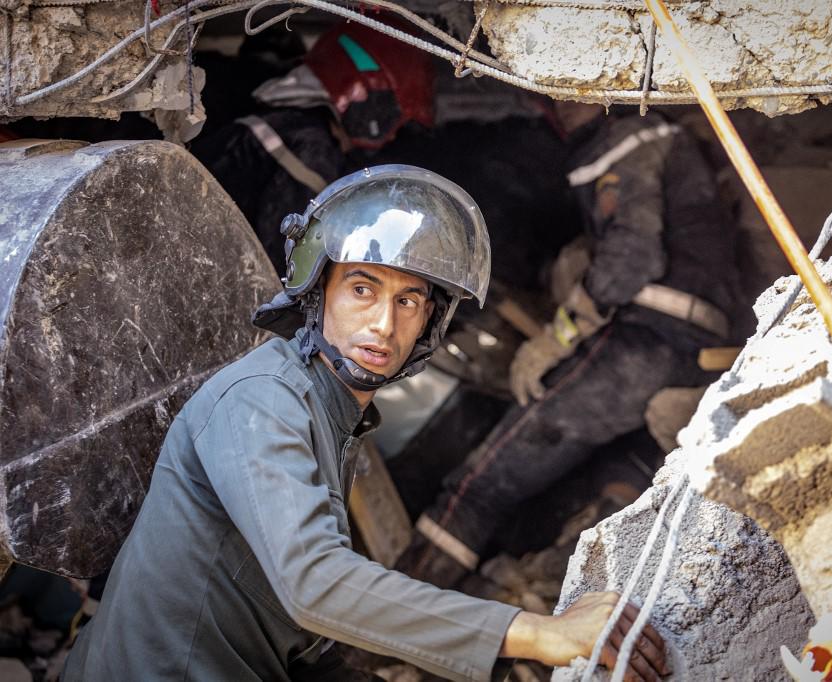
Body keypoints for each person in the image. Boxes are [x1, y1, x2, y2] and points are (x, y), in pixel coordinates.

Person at [61, 165, 669, 682]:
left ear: (430, 324)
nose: (383, 323)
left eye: (408, 301)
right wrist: (537, 633)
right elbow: (313, 584)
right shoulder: (262, 400)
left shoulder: (330, 409)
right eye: (361, 288)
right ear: (317, 290)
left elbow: (284, 608)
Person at [401, 103, 741, 588]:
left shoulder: (628, 140)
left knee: (479, 489)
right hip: (698, 353)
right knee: (618, 482)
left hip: (644, 343)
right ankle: (538, 596)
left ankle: (390, 629)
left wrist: (557, 336)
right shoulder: (671, 145)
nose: (556, 105)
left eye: (561, 94)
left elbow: (630, 259)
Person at [190, 19, 434, 275]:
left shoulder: (283, 125)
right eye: (393, 117)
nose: (392, 136)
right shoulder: (309, 144)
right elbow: (287, 269)